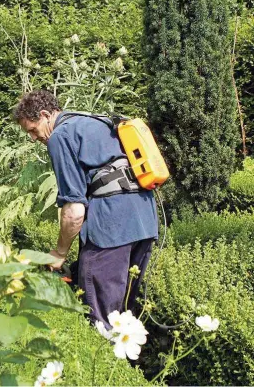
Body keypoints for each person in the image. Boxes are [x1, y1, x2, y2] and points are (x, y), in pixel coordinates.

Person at [13, 89, 158, 328]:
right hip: (144, 220)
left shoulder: (60, 136)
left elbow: (74, 210)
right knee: (124, 316)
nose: (33, 138)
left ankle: (104, 364)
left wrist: (59, 253)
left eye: (32, 129)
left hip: (112, 228)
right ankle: (126, 363)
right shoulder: (95, 121)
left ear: (45, 115)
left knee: (102, 321)